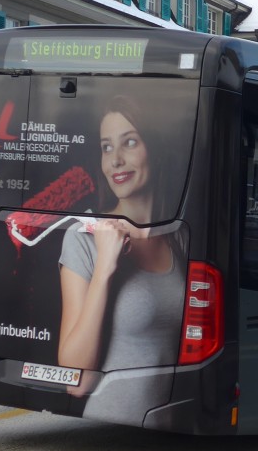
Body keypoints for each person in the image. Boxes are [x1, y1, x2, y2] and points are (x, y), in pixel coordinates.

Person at [58, 95, 186, 406]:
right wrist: (105, 267)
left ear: (155, 149)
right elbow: (76, 381)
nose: (114, 160)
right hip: (112, 427)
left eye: (129, 142)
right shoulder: (83, 238)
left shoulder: (179, 236)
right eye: (106, 147)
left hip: (173, 428)